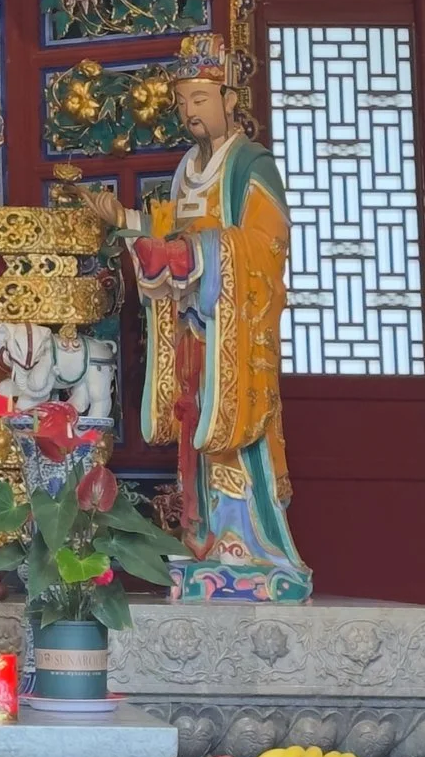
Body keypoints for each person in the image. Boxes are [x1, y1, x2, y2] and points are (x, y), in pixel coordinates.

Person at [78, 34, 310, 600]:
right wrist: (126, 220)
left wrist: (200, 254)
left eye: (201, 99)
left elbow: (268, 243)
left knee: (232, 432)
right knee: (196, 434)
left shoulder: (249, 165)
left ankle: (254, 546)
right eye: (183, 101)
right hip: (193, 331)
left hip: (234, 329)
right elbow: (168, 237)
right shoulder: (186, 169)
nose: (191, 112)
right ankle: (207, 542)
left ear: (229, 99)